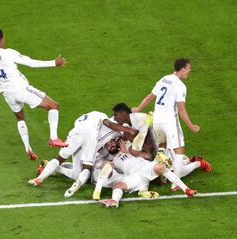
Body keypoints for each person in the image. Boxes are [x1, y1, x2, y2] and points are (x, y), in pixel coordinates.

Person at [0, 28, 67, 161]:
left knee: (20, 119)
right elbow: (31, 63)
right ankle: (54, 138)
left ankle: (28, 148)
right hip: (21, 89)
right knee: (54, 106)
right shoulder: (8, 53)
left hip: (7, 94)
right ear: (2, 39)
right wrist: (53, 63)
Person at [28, 111, 136, 198]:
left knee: (60, 158)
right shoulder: (109, 127)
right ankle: (69, 176)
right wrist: (128, 130)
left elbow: (113, 124)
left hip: (74, 134)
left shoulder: (92, 116)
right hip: (90, 138)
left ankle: (41, 177)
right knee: (83, 171)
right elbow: (111, 125)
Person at [132, 58, 203, 190]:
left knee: (162, 146)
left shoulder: (164, 79)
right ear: (182, 69)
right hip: (169, 122)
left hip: (157, 120)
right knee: (179, 151)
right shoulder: (180, 86)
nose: (190, 70)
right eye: (188, 68)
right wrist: (191, 126)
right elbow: (181, 109)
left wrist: (138, 109)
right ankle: (175, 184)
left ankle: (162, 172)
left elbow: (149, 97)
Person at [97, 139, 197, 208]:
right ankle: (115, 201)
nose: (110, 145)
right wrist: (106, 166)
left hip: (143, 166)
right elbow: (108, 173)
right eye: (108, 145)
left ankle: (187, 189)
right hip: (134, 175)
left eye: (111, 142)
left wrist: (126, 149)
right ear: (107, 150)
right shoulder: (112, 161)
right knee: (118, 186)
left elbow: (139, 150)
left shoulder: (127, 148)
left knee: (162, 167)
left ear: (117, 142)